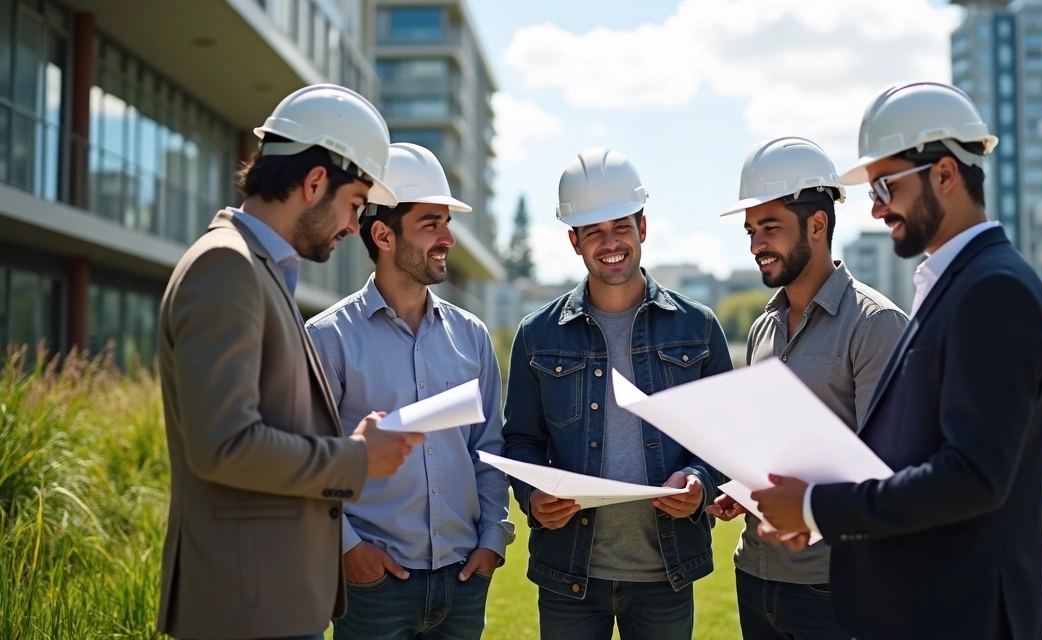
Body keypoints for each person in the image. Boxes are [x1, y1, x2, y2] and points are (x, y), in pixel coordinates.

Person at [752, 81, 1042, 640]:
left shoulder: (993, 291)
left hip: (964, 615)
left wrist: (820, 508)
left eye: (886, 185)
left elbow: (971, 477)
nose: (874, 207)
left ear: (944, 173)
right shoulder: (952, 285)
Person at [156, 84, 426, 640]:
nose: (355, 227)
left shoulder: (257, 269)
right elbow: (224, 445)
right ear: (314, 183)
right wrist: (355, 459)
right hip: (246, 609)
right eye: (354, 205)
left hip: (267, 601)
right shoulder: (225, 268)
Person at [502, 148, 732, 640]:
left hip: (665, 575)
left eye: (621, 227)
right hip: (570, 576)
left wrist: (697, 482)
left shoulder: (699, 328)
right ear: (574, 241)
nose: (611, 243)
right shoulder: (537, 334)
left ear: (642, 229)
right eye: (594, 232)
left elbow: (723, 442)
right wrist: (531, 494)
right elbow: (521, 439)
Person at [305, 142, 514, 640]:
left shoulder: (472, 336)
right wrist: (347, 549)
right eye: (430, 224)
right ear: (383, 234)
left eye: (447, 223)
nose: (448, 239)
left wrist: (492, 541)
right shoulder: (327, 339)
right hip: (373, 588)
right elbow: (310, 460)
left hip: (464, 579)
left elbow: (487, 449)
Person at [706, 136, 906, 640]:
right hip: (755, 574)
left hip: (833, 584)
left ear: (818, 225)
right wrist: (744, 491)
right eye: (751, 231)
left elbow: (889, 473)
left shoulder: (876, 325)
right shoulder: (761, 329)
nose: (756, 245)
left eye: (770, 228)